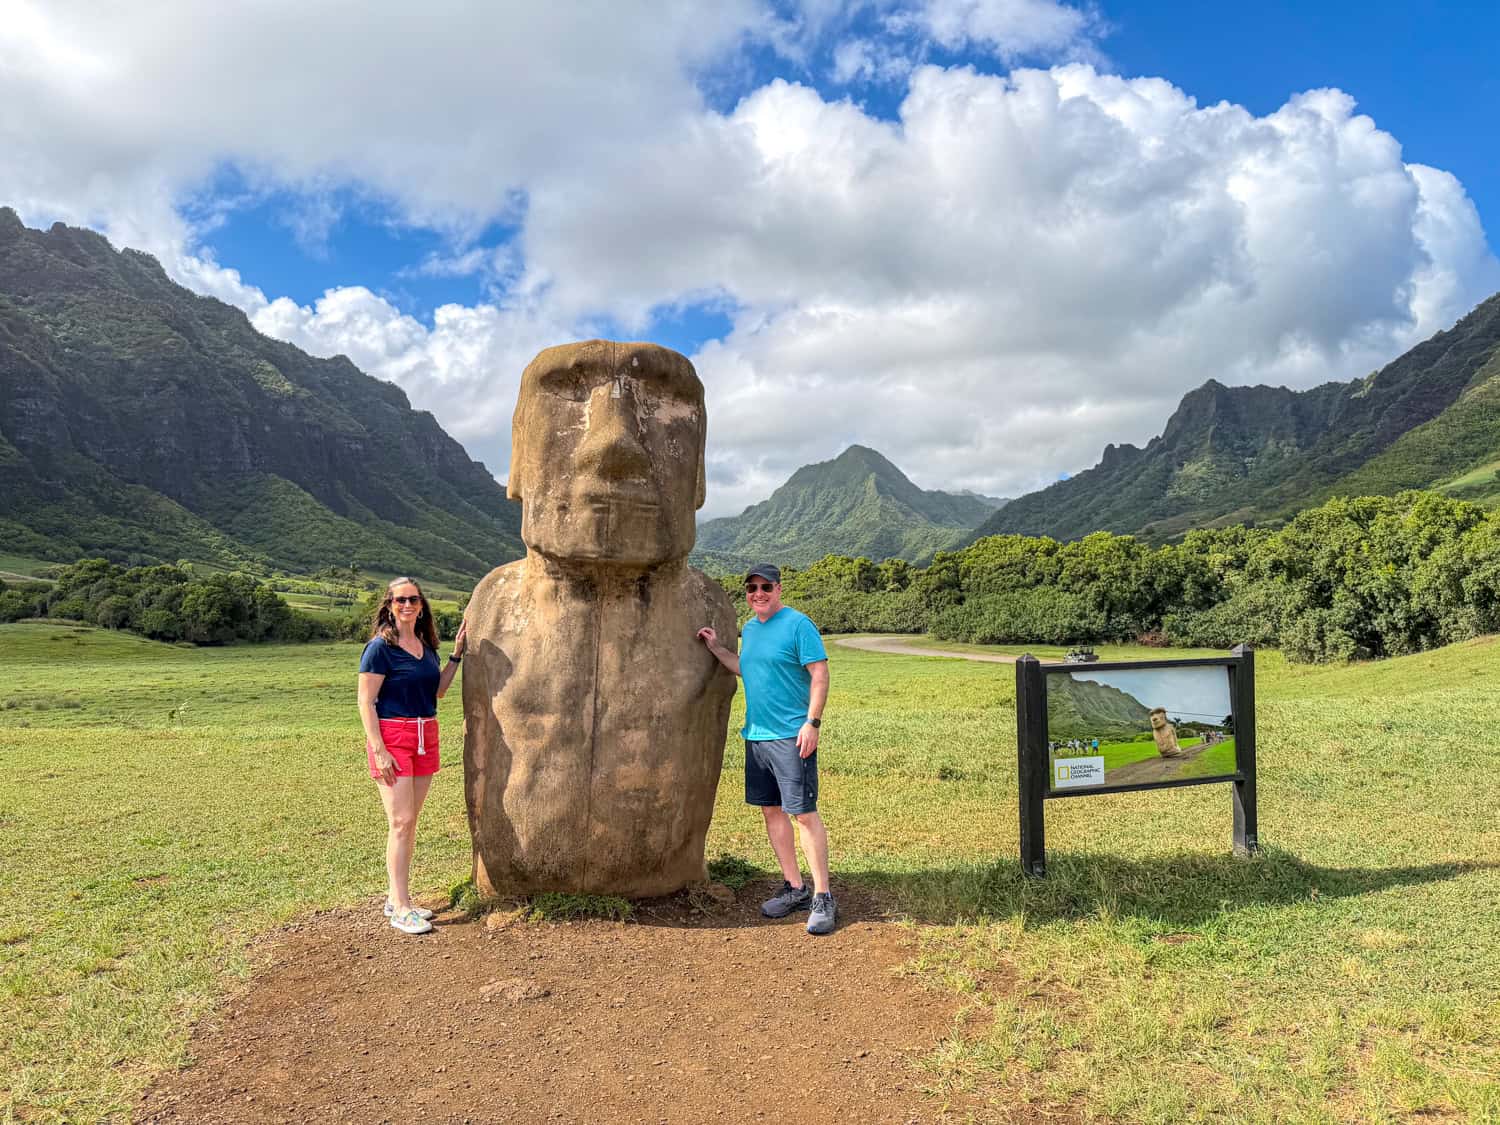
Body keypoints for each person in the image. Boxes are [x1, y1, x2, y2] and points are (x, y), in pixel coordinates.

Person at [697, 563, 835, 935]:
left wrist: (812, 723)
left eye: (765, 587)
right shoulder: (752, 629)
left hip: (792, 736)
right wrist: (716, 648)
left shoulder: (798, 624)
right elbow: (745, 668)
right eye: (751, 588)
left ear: (778, 589)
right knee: (771, 812)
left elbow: (819, 674)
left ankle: (823, 895)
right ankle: (795, 888)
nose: (758, 593)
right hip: (756, 736)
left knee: (803, 814)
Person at [357, 577, 467, 935]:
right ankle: (400, 908)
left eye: (414, 600)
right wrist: (379, 749)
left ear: (422, 606)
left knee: (409, 821)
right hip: (394, 735)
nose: (407, 605)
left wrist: (455, 656)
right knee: (401, 821)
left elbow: (437, 691)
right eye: (400, 600)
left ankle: (397, 897)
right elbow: (366, 702)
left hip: (426, 734)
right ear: (389, 605)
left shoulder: (425, 646)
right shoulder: (379, 648)